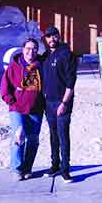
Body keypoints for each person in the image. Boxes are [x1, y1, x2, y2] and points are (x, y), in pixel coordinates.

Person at [0, 38, 44, 181]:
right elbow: (5, 89)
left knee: (33, 139)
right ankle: (16, 169)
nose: (31, 52)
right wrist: (11, 102)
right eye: (28, 48)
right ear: (23, 49)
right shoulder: (14, 66)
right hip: (17, 109)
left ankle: (27, 168)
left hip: (36, 109)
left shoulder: (40, 66)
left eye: (34, 49)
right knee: (19, 137)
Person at [40, 25, 77, 183]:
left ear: (59, 36)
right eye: (48, 37)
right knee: (53, 135)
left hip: (63, 103)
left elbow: (71, 82)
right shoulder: (45, 55)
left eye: (54, 36)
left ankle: (65, 169)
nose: (51, 39)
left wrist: (64, 103)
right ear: (45, 39)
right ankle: (54, 165)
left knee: (63, 136)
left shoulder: (66, 54)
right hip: (48, 103)